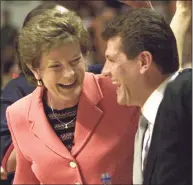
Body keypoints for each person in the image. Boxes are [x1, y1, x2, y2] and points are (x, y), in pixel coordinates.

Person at [5, 3, 140, 184]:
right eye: (56, 66)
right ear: (35, 69)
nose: (69, 74)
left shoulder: (117, 91)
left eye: (75, 61)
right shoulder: (18, 115)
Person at [101, 1, 192, 185]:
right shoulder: (146, 120)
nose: (105, 71)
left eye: (111, 60)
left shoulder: (186, 100)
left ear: (143, 62)